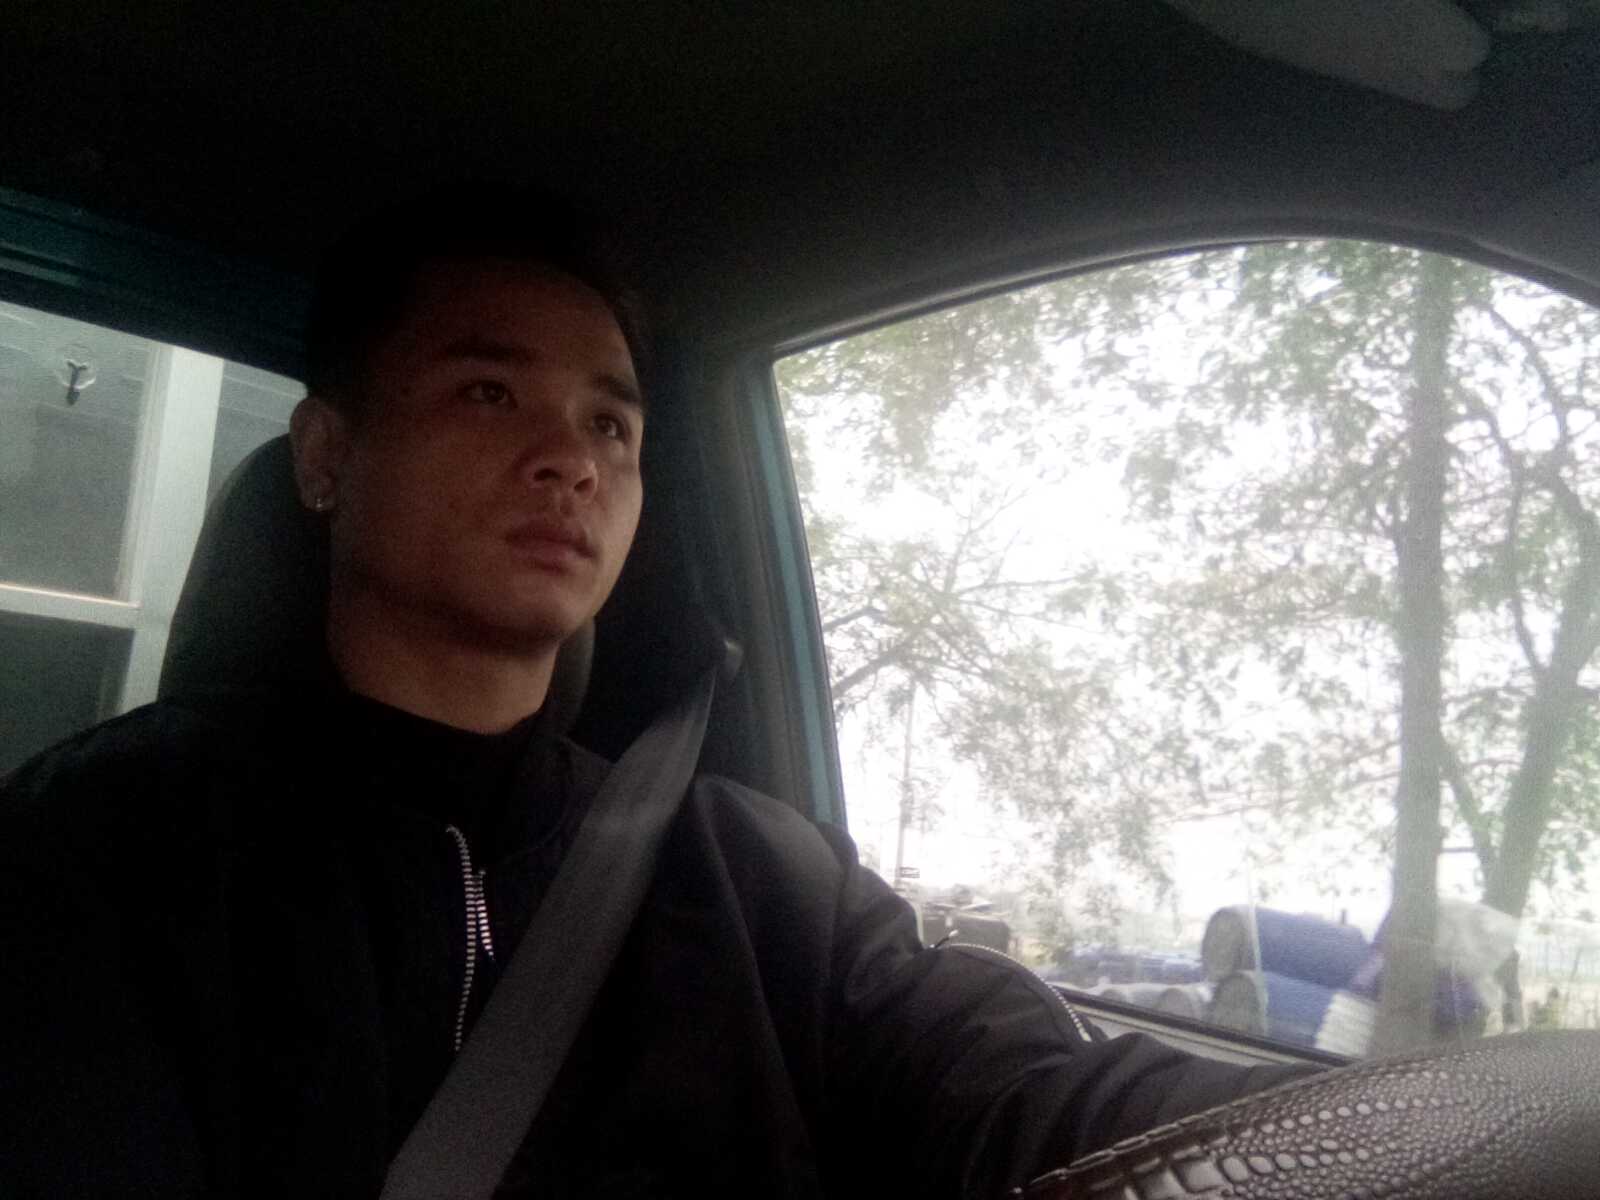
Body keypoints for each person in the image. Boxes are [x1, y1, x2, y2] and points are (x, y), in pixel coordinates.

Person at [0, 191, 1311, 1198]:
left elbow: (1025, 1092)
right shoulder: (101, 850)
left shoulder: (760, 875)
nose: (570, 460)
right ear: (327, 457)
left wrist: (1325, 1142)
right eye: (489, 391)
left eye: (610, 425)